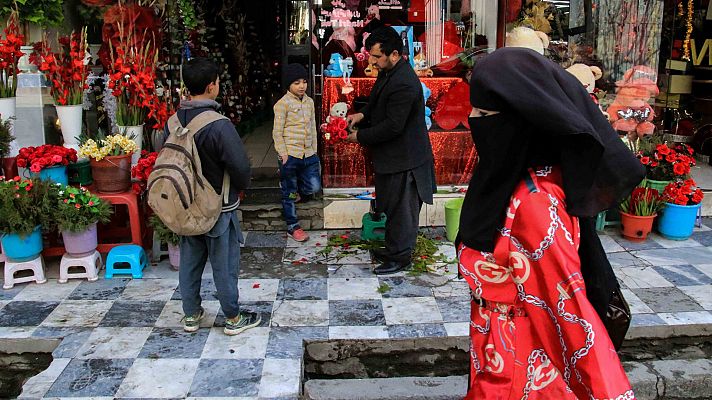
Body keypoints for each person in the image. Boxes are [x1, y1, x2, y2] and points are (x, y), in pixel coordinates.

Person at [457, 47, 643, 399]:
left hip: (521, 371)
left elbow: (570, 316)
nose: (471, 119)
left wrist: (610, 392)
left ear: (521, 119)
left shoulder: (533, 204)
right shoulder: (511, 179)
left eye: (483, 112)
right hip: (496, 353)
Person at [174, 57, 260, 335]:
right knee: (223, 265)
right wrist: (240, 186)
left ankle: (190, 315)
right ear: (212, 86)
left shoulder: (172, 121)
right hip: (218, 206)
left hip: (185, 205)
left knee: (189, 261)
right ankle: (233, 318)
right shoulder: (219, 125)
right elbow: (240, 167)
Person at [346, 27, 435, 275]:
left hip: (406, 159)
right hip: (392, 157)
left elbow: (394, 126)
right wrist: (361, 115)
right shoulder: (388, 72)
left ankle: (400, 257)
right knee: (392, 207)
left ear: (394, 54)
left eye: (376, 57)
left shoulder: (405, 82)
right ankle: (393, 248)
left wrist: (360, 136)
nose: (372, 62)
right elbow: (376, 103)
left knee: (403, 211)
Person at [272, 63, 321, 242]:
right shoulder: (282, 104)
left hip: (308, 154)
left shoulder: (309, 102)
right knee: (289, 193)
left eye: (304, 82)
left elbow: (313, 128)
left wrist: (314, 150)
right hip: (290, 155)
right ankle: (293, 226)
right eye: (296, 83)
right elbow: (277, 132)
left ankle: (296, 190)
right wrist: (283, 153)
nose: (301, 86)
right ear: (288, 85)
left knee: (314, 186)